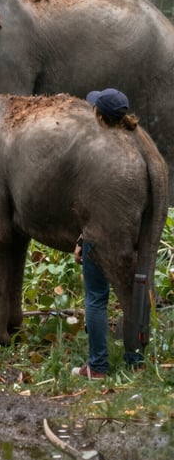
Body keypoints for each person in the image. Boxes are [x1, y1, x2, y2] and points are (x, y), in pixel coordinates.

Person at [73, 88, 143, 378]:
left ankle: (98, 365)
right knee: (132, 295)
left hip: (101, 238)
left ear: (99, 116)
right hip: (132, 237)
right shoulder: (135, 147)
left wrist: (82, 240)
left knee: (96, 297)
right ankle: (134, 360)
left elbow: (91, 207)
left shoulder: (100, 152)